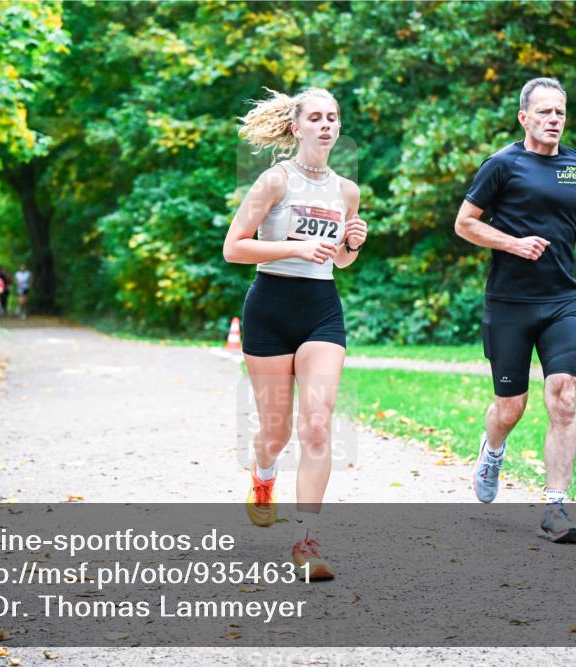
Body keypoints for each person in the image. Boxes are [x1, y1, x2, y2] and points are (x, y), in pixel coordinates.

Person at [453, 77, 576, 543]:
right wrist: (513, 243)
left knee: (564, 397)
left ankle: (556, 507)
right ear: (524, 118)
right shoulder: (502, 165)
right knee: (511, 408)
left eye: (560, 112)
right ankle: (492, 450)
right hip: (509, 303)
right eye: (544, 112)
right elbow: (465, 224)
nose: (554, 120)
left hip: (561, 300)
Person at [223, 87, 368, 580]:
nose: (326, 125)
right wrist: (293, 247)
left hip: (321, 310)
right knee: (276, 433)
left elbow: (340, 262)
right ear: (296, 127)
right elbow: (234, 248)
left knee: (318, 425)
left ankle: (307, 541)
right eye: (316, 118)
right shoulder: (275, 180)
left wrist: (352, 244)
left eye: (333, 117)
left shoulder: (347, 191)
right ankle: (263, 474)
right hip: (270, 307)